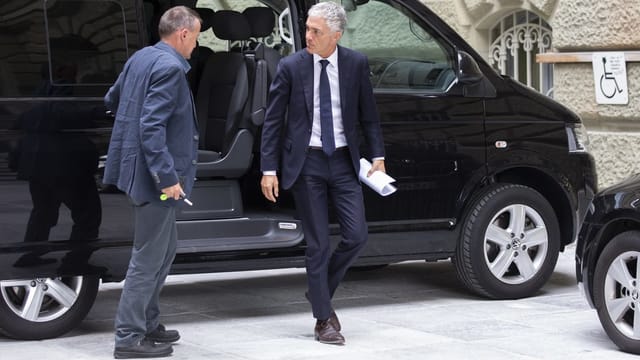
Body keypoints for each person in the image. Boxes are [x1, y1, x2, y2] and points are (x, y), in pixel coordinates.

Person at [260, 2, 386, 345]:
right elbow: (273, 122)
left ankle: (319, 292)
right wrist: (268, 169)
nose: (308, 36)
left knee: (357, 235)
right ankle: (323, 319)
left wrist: (379, 156)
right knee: (317, 244)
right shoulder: (291, 66)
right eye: (307, 29)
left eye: (316, 31)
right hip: (307, 164)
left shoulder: (355, 64)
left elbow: (368, 115)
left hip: (345, 162)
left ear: (336, 35)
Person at [102, 6, 201, 359]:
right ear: (183, 34)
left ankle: (148, 323)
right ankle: (128, 339)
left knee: (164, 251)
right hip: (154, 179)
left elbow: (111, 100)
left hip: (135, 172)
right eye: (197, 38)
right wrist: (167, 177)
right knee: (147, 259)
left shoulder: (142, 57)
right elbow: (151, 126)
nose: (196, 46)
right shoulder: (171, 68)